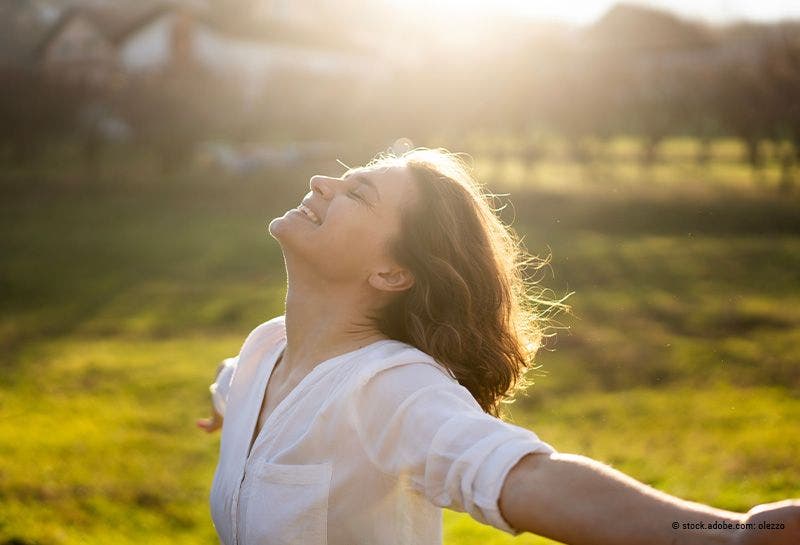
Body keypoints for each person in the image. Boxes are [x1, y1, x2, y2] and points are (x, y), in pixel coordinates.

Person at [197, 148, 799, 545]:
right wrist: (227, 408)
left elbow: (526, 479)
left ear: (391, 273)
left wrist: (730, 534)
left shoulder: (389, 387)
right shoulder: (264, 353)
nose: (320, 182)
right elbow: (238, 386)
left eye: (357, 194)